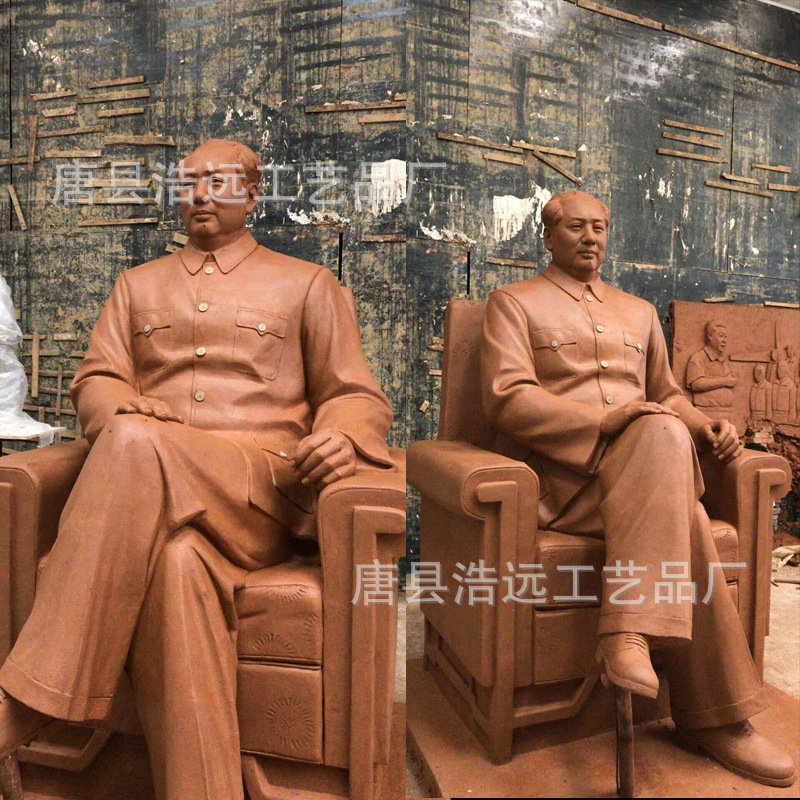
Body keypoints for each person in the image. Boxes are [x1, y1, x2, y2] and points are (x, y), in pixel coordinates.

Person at [0, 139, 394, 800]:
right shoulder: (137, 286)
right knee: (177, 566)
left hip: (258, 495)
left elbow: (357, 394)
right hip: (153, 497)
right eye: (187, 183)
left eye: (216, 181)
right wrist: (116, 404)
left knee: (133, 443)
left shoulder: (307, 284)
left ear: (252, 192)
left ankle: (29, 702)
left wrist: (344, 435)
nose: (200, 194)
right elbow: (96, 380)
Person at [479, 189, 796, 787]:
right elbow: (507, 398)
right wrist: (605, 421)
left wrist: (704, 424)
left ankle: (630, 636)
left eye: (599, 227)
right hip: (567, 485)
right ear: (547, 236)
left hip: (651, 470)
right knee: (679, 493)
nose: (590, 238)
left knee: (665, 432)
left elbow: (668, 393)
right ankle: (718, 719)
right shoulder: (513, 304)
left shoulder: (639, 311)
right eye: (575, 227)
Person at [685, 320, 737, 418]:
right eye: (721, 336)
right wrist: (725, 381)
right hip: (706, 413)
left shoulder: (722, 361)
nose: (724, 340)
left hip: (726, 413)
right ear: (710, 336)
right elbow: (696, 384)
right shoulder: (698, 358)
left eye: (725, 337)